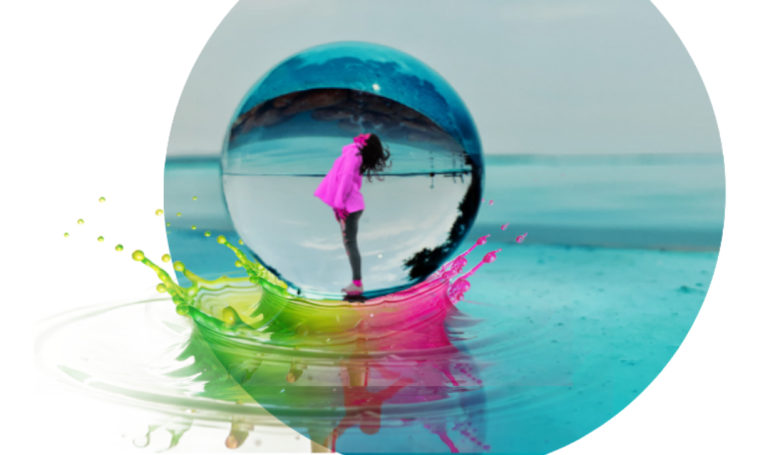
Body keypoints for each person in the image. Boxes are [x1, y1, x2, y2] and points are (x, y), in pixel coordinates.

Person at [314, 133, 391, 295]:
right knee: (349, 243)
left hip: (349, 207)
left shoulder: (353, 153)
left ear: (366, 143)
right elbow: (342, 178)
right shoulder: (356, 153)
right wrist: (337, 206)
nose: (361, 134)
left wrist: (338, 203)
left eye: (366, 135)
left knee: (350, 243)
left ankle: (357, 283)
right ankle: (356, 282)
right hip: (350, 206)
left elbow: (346, 177)